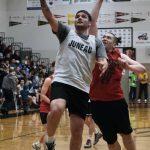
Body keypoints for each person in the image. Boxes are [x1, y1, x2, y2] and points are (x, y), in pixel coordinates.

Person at [40, 0, 108, 150]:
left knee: (77, 131)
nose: (79, 17)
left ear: (90, 23)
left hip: (82, 88)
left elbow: (103, 59)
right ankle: (50, 139)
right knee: (57, 108)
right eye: (77, 16)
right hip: (62, 81)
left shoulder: (96, 42)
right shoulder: (66, 32)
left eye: (84, 16)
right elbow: (49, 15)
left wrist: (104, 64)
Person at [89, 0, 146, 150]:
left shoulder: (119, 55)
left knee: (126, 135)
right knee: (110, 140)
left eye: (108, 37)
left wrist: (127, 65)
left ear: (114, 44)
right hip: (97, 104)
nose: (104, 38)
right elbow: (92, 23)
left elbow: (141, 69)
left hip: (116, 102)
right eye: (104, 36)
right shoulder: (95, 52)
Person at [32, 61, 55, 150]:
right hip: (45, 109)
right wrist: (52, 102)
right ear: (53, 68)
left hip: (53, 109)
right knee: (49, 132)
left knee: (49, 131)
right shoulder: (49, 80)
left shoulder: (60, 80)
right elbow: (42, 95)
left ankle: (37, 144)